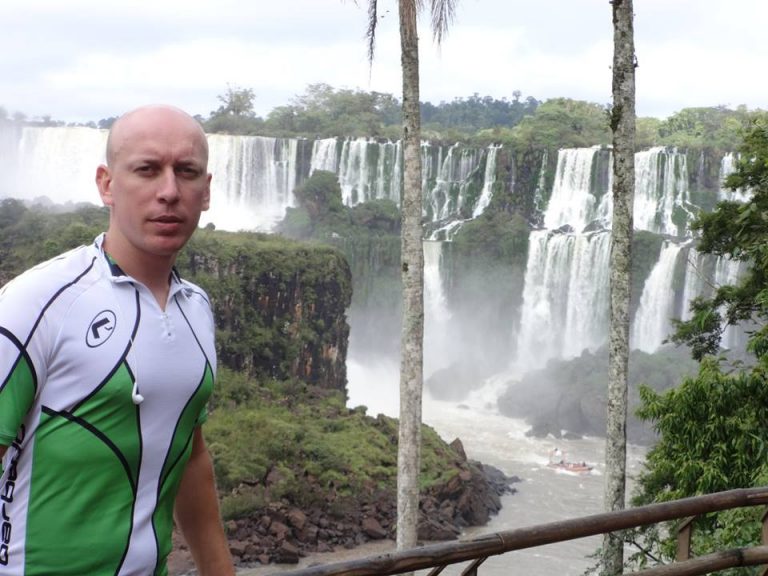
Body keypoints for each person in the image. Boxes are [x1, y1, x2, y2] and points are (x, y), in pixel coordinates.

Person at [0, 105, 234, 575]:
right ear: (107, 184)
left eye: (186, 172)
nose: (169, 192)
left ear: (205, 191)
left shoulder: (197, 310)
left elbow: (189, 454)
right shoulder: (38, 302)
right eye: (147, 170)